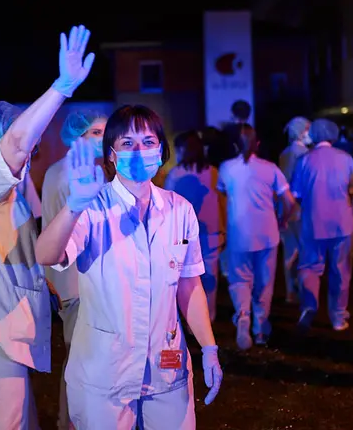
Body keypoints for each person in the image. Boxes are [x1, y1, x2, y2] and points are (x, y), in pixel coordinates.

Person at [0, 25, 95, 429]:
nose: (32, 151)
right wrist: (61, 88)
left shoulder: (2, 196)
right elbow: (14, 144)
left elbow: (38, 252)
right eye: (31, 142)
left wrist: (75, 208)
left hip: (2, 344)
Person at [35, 105, 223, 428]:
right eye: (127, 143)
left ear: (162, 150)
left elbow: (189, 286)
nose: (139, 151)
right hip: (105, 374)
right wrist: (74, 206)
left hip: (166, 369)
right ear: (110, 155)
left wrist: (209, 347)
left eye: (148, 142)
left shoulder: (180, 210)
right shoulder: (92, 207)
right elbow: (45, 254)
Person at [41, 108, 107, 430]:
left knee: (76, 358)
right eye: (96, 133)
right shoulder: (75, 176)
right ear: (77, 136)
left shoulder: (57, 169)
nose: (104, 138)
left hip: (66, 282)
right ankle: (71, 422)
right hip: (78, 282)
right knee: (81, 362)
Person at [291, 119, 353, 332]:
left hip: (312, 223)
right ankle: (338, 317)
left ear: (313, 135)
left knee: (309, 267)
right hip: (342, 224)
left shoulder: (304, 161)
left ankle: (309, 305)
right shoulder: (346, 159)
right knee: (340, 270)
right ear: (332, 135)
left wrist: (286, 217)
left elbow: (295, 195)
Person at [217, 124, 297, 349]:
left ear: (234, 145)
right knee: (264, 282)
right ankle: (260, 328)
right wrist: (283, 219)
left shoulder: (226, 168)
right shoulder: (270, 168)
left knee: (240, 279)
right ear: (258, 144)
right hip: (267, 234)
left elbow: (222, 195)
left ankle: (243, 317)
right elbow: (289, 201)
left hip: (238, 235)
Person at [165, 130, 226, 322]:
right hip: (212, 232)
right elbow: (222, 203)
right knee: (210, 277)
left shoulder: (175, 174)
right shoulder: (213, 172)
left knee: (188, 278)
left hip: (184, 234)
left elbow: (167, 207)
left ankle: (192, 320)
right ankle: (209, 318)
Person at [279, 116, 311, 304]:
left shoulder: (284, 153)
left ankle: (290, 290)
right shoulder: (305, 154)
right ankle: (302, 289)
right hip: (301, 209)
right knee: (303, 251)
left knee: (289, 251)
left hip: (285, 209)